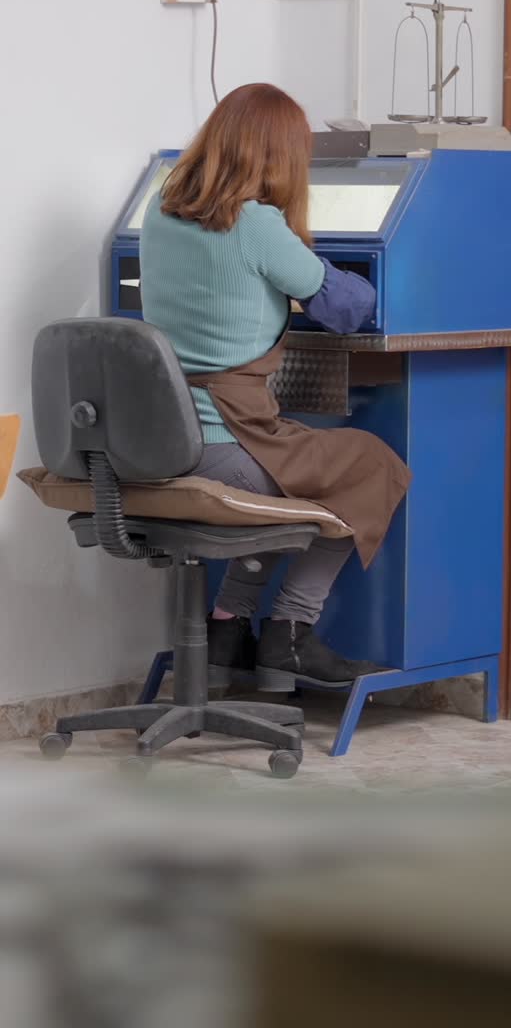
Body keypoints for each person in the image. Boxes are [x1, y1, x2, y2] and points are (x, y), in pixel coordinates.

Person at [140, 83, 411, 690]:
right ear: (279, 155)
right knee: (371, 466)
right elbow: (346, 308)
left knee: (287, 473)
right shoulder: (257, 225)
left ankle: (226, 629)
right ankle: (291, 632)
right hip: (227, 447)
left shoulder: (160, 210)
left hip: (160, 444)